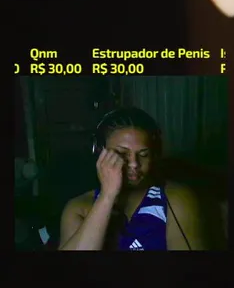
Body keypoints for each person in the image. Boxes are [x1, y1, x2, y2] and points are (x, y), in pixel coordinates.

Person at [58, 106, 205, 251]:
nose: (134, 164)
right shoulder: (78, 208)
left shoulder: (176, 200)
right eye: (122, 154)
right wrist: (107, 196)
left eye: (143, 155)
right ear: (99, 152)